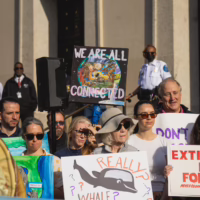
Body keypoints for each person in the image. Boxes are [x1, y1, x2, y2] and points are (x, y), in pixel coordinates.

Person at [128, 100, 169, 200]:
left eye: (152, 114)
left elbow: (171, 174)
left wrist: (165, 195)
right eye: (144, 115)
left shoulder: (164, 142)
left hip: (161, 194)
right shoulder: (128, 141)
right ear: (136, 117)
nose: (149, 118)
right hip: (136, 193)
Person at [21, 117, 64, 199]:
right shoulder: (15, 162)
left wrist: (45, 188)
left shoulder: (55, 161)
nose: (35, 139)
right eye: (30, 136)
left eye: (39, 136)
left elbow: (64, 193)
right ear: (24, 137)